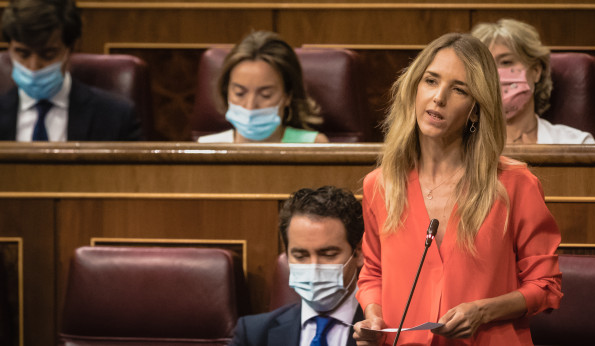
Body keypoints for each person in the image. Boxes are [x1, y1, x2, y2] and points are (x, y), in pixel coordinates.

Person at [352, 33, 562, 345]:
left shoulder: (515, 185)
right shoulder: (381, 184)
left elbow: (546, 285)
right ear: (414, 90)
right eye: (431, 81)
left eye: (459, 89)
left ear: (476, 109)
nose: (439, 97)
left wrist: (483, 311)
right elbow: (373, 274)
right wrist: (374, 316)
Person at [230, 186, 363, 346]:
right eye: (301, 256)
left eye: (328, 254)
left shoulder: (385, 332)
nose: (314, 268)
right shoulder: (254, 334)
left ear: (359, 253)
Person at [0, 0, 141, 141]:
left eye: (48, 54)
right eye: (23, 54)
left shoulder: (115, 116)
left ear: (70, 49)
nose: (34, 67)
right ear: (9, 50)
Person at [471, 18, 595, 144]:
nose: (495, 74)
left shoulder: (576, 143)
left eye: (506, 62)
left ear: (536, 71)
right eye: (485, 65)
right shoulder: (460, 146)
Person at [197, 31, 329, 143]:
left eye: (265, 95)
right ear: (226, 92)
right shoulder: (206, 148)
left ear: (288, 95)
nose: (250, 106)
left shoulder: (313, 146)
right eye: (239, 93)